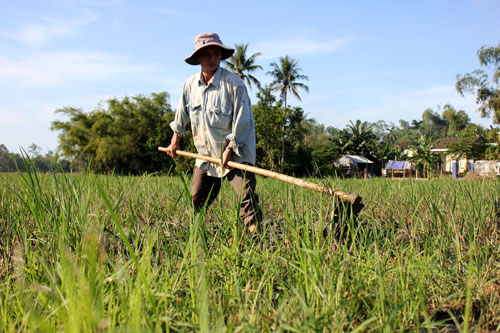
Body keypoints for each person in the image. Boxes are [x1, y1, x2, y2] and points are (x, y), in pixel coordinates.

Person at [164, 32, 262, 232]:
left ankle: (257, 239)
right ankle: (195, 238)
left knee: (246, 198)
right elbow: (181, 115)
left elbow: (242, 122)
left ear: (220, 56)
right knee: (197, 199)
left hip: (236, 153)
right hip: (206, 155)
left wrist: (230, 148)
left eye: (216, 54)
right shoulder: (190, 85)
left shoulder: (234, 84)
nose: (211, 59)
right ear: (198, 58)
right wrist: (175, 140)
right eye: (206, 54)